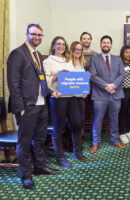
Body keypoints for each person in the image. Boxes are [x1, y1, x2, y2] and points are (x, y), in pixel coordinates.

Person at [7, 24, 60, 190]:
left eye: (39, 35)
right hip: (27, 106)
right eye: (34, 34)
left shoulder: (37, 54)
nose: (37, 37)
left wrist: (50, 93)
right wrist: (19, 106)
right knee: (24, 142)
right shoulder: (17, 53)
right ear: (27, 34)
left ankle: (39, 167)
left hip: (41, 104)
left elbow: (41, 79)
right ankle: (26, 176)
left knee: (39, 139)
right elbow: (13, 83)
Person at [44, 36, 87, 168]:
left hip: (72, 97)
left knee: (76, 124)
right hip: (58, 98)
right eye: (58, 44)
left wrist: (83, 88)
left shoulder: (68, 61)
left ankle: (77, 152)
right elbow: (44, 80)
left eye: (63, 44)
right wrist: (57, 76)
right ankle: (60, 157)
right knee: (59, 128)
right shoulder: (48, 61)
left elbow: (75, 79)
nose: (61, 46)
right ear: (53, 46)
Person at [89, 35, 126, 153]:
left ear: (111, 45)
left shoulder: (118, 59)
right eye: (104, 42)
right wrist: (107, 86)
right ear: (100, 45)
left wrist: (113, 85)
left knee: (114, 119)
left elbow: (121, 75)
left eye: (108, 43)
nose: (106, 44)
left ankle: (115, 140)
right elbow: (93, 76)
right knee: (98, 119)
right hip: (99, 95)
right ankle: (95, 143)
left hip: (116, 94)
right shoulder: (94, 59)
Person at [70, 41, 88, 142]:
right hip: (71, 98)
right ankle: (72, 143)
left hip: (81, 98)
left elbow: (82, 81)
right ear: (72, 50)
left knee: (81, 120)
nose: (78, 51)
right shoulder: (68, 63)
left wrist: (85, 91)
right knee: (74, 122)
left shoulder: (82, 64)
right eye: (76, 49)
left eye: (80, 50)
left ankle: (78, 142)